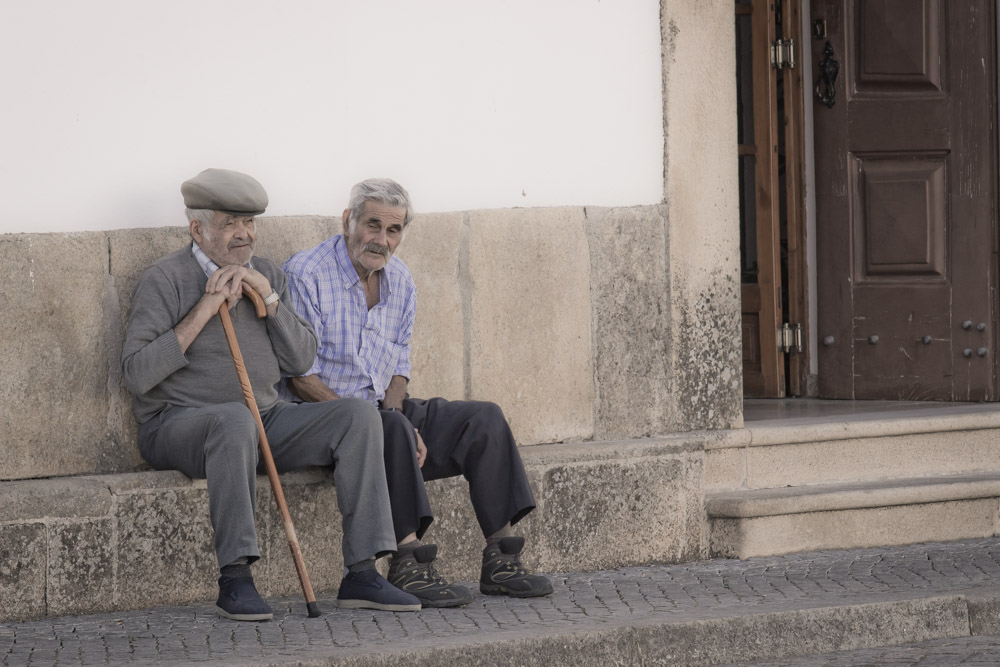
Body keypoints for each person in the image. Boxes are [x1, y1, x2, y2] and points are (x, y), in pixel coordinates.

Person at [122, 168, 420, 622]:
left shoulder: (267, 273)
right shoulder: (165, 279)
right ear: (197, 228)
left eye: (250, 223)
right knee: (234, 421)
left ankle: (362, 572)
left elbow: (302, 361)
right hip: (179, 423)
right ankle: (236, 578)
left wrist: (272, 301)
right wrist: (204, 309)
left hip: (266, 418)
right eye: (230, 223)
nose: (244, 235)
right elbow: (138, 374)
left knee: (359, 416)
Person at [282, 178, 553, 609]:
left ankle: (501, 558)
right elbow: (300, 378)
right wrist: (381, 421)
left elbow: (398, 370)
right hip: (322, 420)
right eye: (373, 225)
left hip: (382, 412)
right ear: (348, 220)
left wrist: (404, 420)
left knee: (483, 419)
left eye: (393, 230)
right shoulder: (306, 274)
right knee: (385, 424)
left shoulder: (401, 279)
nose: (382, 240)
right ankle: (408, 562)